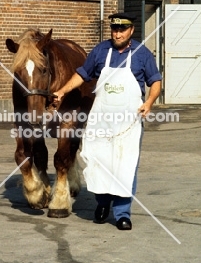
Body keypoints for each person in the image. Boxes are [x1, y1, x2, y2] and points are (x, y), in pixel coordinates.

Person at [53, 12, 162, 230]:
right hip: (101, 120)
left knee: (125, 166)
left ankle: (122, 213)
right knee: (99, 163)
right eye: (114, 29)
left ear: (131, 31)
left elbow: (155, 81)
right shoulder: (101, 51)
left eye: (122, 29)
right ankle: (102, 203)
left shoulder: (142, 54)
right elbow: (82, 74)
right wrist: (62, 91)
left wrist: (149, 102)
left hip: (128, 122)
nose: (118, 33)